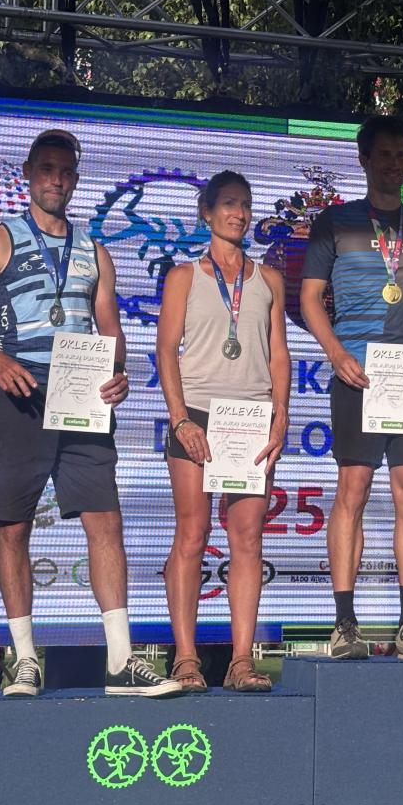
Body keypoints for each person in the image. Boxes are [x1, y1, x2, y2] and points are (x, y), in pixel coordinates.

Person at [0, 129, 180, 697]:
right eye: (47, 169)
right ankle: (26, 661)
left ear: (75, 180)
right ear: (29, 173)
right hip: (18, 391)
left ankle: (121, 662)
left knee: (106, 522)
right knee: (14, 527)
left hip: (81, 397)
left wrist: (117, 371)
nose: (56, 180)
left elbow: (111, 329)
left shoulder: (94, 250)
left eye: (66, 171)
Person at [301, 115, 403, 660]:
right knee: (354, 490)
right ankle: (344, 624)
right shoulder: (334, 222)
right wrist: (336, 354)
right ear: (364, 160)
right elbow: (309, 298)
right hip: (357, 373)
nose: (393, 164)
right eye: (383, 155)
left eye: (401, 155)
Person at [156, 171, 290, 692]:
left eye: (245, 204)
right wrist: (180, 418)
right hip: (196, 414)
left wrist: (281, 415)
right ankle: (186, 659)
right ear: (207, 213)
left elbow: (278, 353)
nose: (239, 213)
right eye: (229, 204)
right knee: (192, 535)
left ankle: (240, 661)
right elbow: (166, 350)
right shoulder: (184, 276)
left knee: (248, 539)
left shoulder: (269, 279)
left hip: (251, 417)